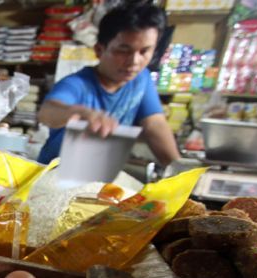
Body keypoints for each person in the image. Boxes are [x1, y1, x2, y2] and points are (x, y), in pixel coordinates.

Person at [36, 3, 181, 167]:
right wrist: (79, 112)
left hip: (98, 180)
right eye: (123, 50)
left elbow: (155, 124)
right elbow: (47, 112)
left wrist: (179, 171)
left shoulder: (142, 80)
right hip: (54, 178)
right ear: (99, 50)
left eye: (144, 51)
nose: (134, 61)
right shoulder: (77, 84)